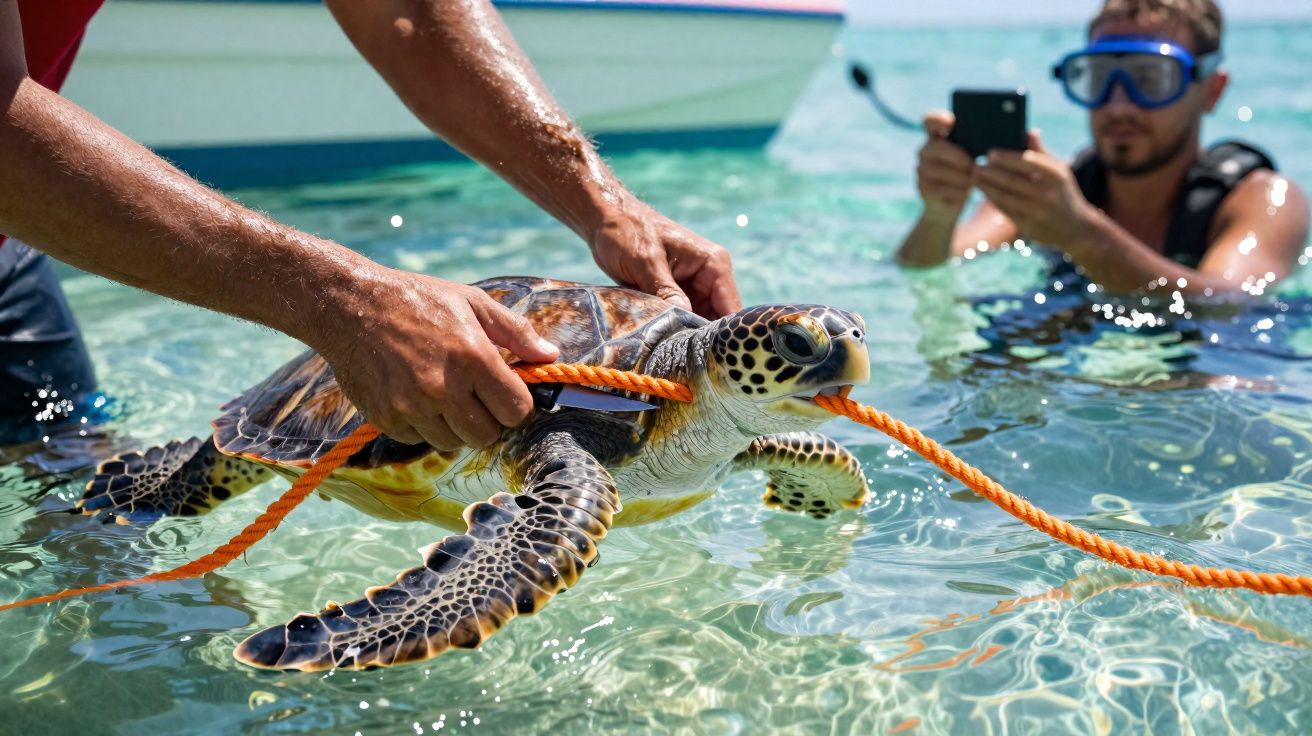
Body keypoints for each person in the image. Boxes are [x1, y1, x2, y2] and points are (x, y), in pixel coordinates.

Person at [0, 0, 741, 448]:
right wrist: (342, 300)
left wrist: (604, 204)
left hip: (12, 255)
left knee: (85, 500)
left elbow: (408, 11)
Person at [896, 0, 1309, 296]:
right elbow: (926, 268)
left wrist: (1080, 234)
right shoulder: (1055, 193)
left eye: (1150, 80)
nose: (1118, 105)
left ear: (1212, 91)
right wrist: (939, 214)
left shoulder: (1263, 198)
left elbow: (1230, 303)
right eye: (1098, 78)